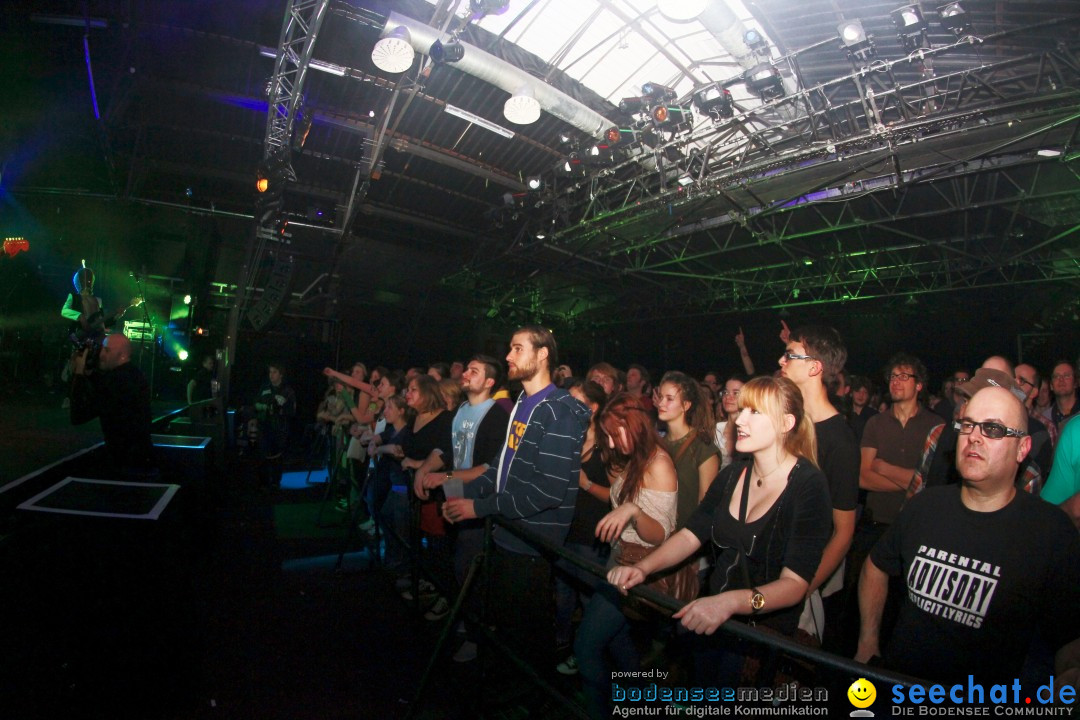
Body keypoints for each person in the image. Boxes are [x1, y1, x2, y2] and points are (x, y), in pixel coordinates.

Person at [608, 376, 832, 685]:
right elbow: (691, 535)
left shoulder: (808, 485)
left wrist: (729, 603)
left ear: (786, 423)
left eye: (754, 412)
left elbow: (794, 585)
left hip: (761, 636)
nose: (740, 419)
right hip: (714, 621)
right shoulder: (732, 475)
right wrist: (643, 568)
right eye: (742, 410)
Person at [857, 386, 1080, 686]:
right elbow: (875, 565)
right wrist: (867, 643)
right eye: (968, 425)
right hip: (895, 694)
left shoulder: (1050, 531)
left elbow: (1070, 634)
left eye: (993, 429)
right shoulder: (924, 506)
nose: (974, 436)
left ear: (1023, 448)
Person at [442, 325, 591, 678]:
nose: (508, 356)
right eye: (510, 348)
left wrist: (478, 508)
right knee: (507, 626)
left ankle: (534, 695)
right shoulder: (522, 403)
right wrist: (466, 492)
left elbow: (547, 491)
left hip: (533, 541)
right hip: (508, 530)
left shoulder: (560, 411)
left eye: (517, 349)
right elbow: (501, 467)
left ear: (542, 355)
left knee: (526, 635)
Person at [574, 393, 679, 719]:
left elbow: (659, 534)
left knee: (586, 646)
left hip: (636, 566)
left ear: (634, 425)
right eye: (606, 433)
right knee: (618, 640)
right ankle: (642, 700)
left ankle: (601, 710)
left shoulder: (658, 464)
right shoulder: (634, 458)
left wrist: (633, 511)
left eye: (615, 432)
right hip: (618, 559)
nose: (611, 440)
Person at [779, 325, 859, 647]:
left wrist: (802, 586)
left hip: (801, 574)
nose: (781, 360)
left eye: (790, 354)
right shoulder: (787, 424)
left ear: (815, 367)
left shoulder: (840, 441)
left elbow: (842, 532)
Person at [69, 333, 155, 477]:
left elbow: (78, 416)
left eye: (106, 350)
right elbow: (109, 393)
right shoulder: (135, 375)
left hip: (124, 466)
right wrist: (90, 373)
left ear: (122, 355)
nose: (101, 354)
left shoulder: (114, 382)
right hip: (140, 460)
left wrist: (78, 373)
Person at [254, 362, 296, 488]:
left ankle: (276, 482)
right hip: (264, 426)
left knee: (277, 457)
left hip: (279, 428)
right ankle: (263, 482)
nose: (271, 375)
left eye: (274, 372)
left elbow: (293, 411)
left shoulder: (288, 391)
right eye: (270, 372)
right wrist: (263, 406)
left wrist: (283, 406)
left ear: (281, 375)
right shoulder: (264, 387)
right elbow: (255, 403)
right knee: (262, 455)